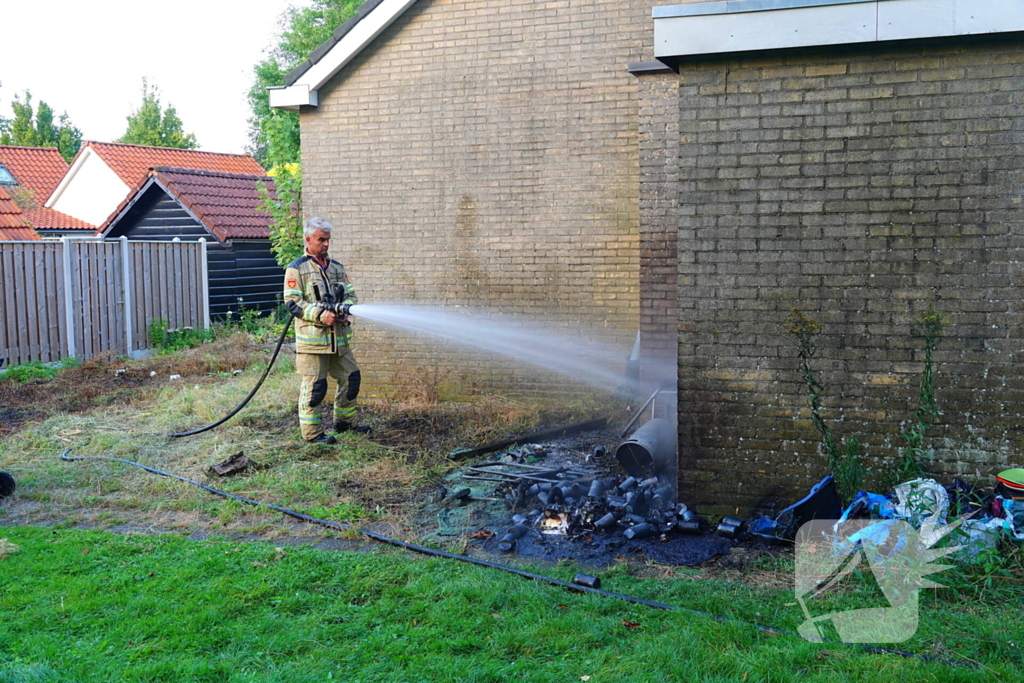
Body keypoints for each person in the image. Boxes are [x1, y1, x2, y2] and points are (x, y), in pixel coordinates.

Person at [283, 217, 367, 443]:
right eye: (321, 240)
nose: (326, 244)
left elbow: (350, 295)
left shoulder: (337, 268)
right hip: (314, 343)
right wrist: (321, 315)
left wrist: (345, 310)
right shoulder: (297, 268)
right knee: (315, 388)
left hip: (339, 341)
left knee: (351, 378)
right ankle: (313, 435)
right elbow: (292, 303)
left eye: (328, 240)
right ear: (308, 239)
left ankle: (343, 425)